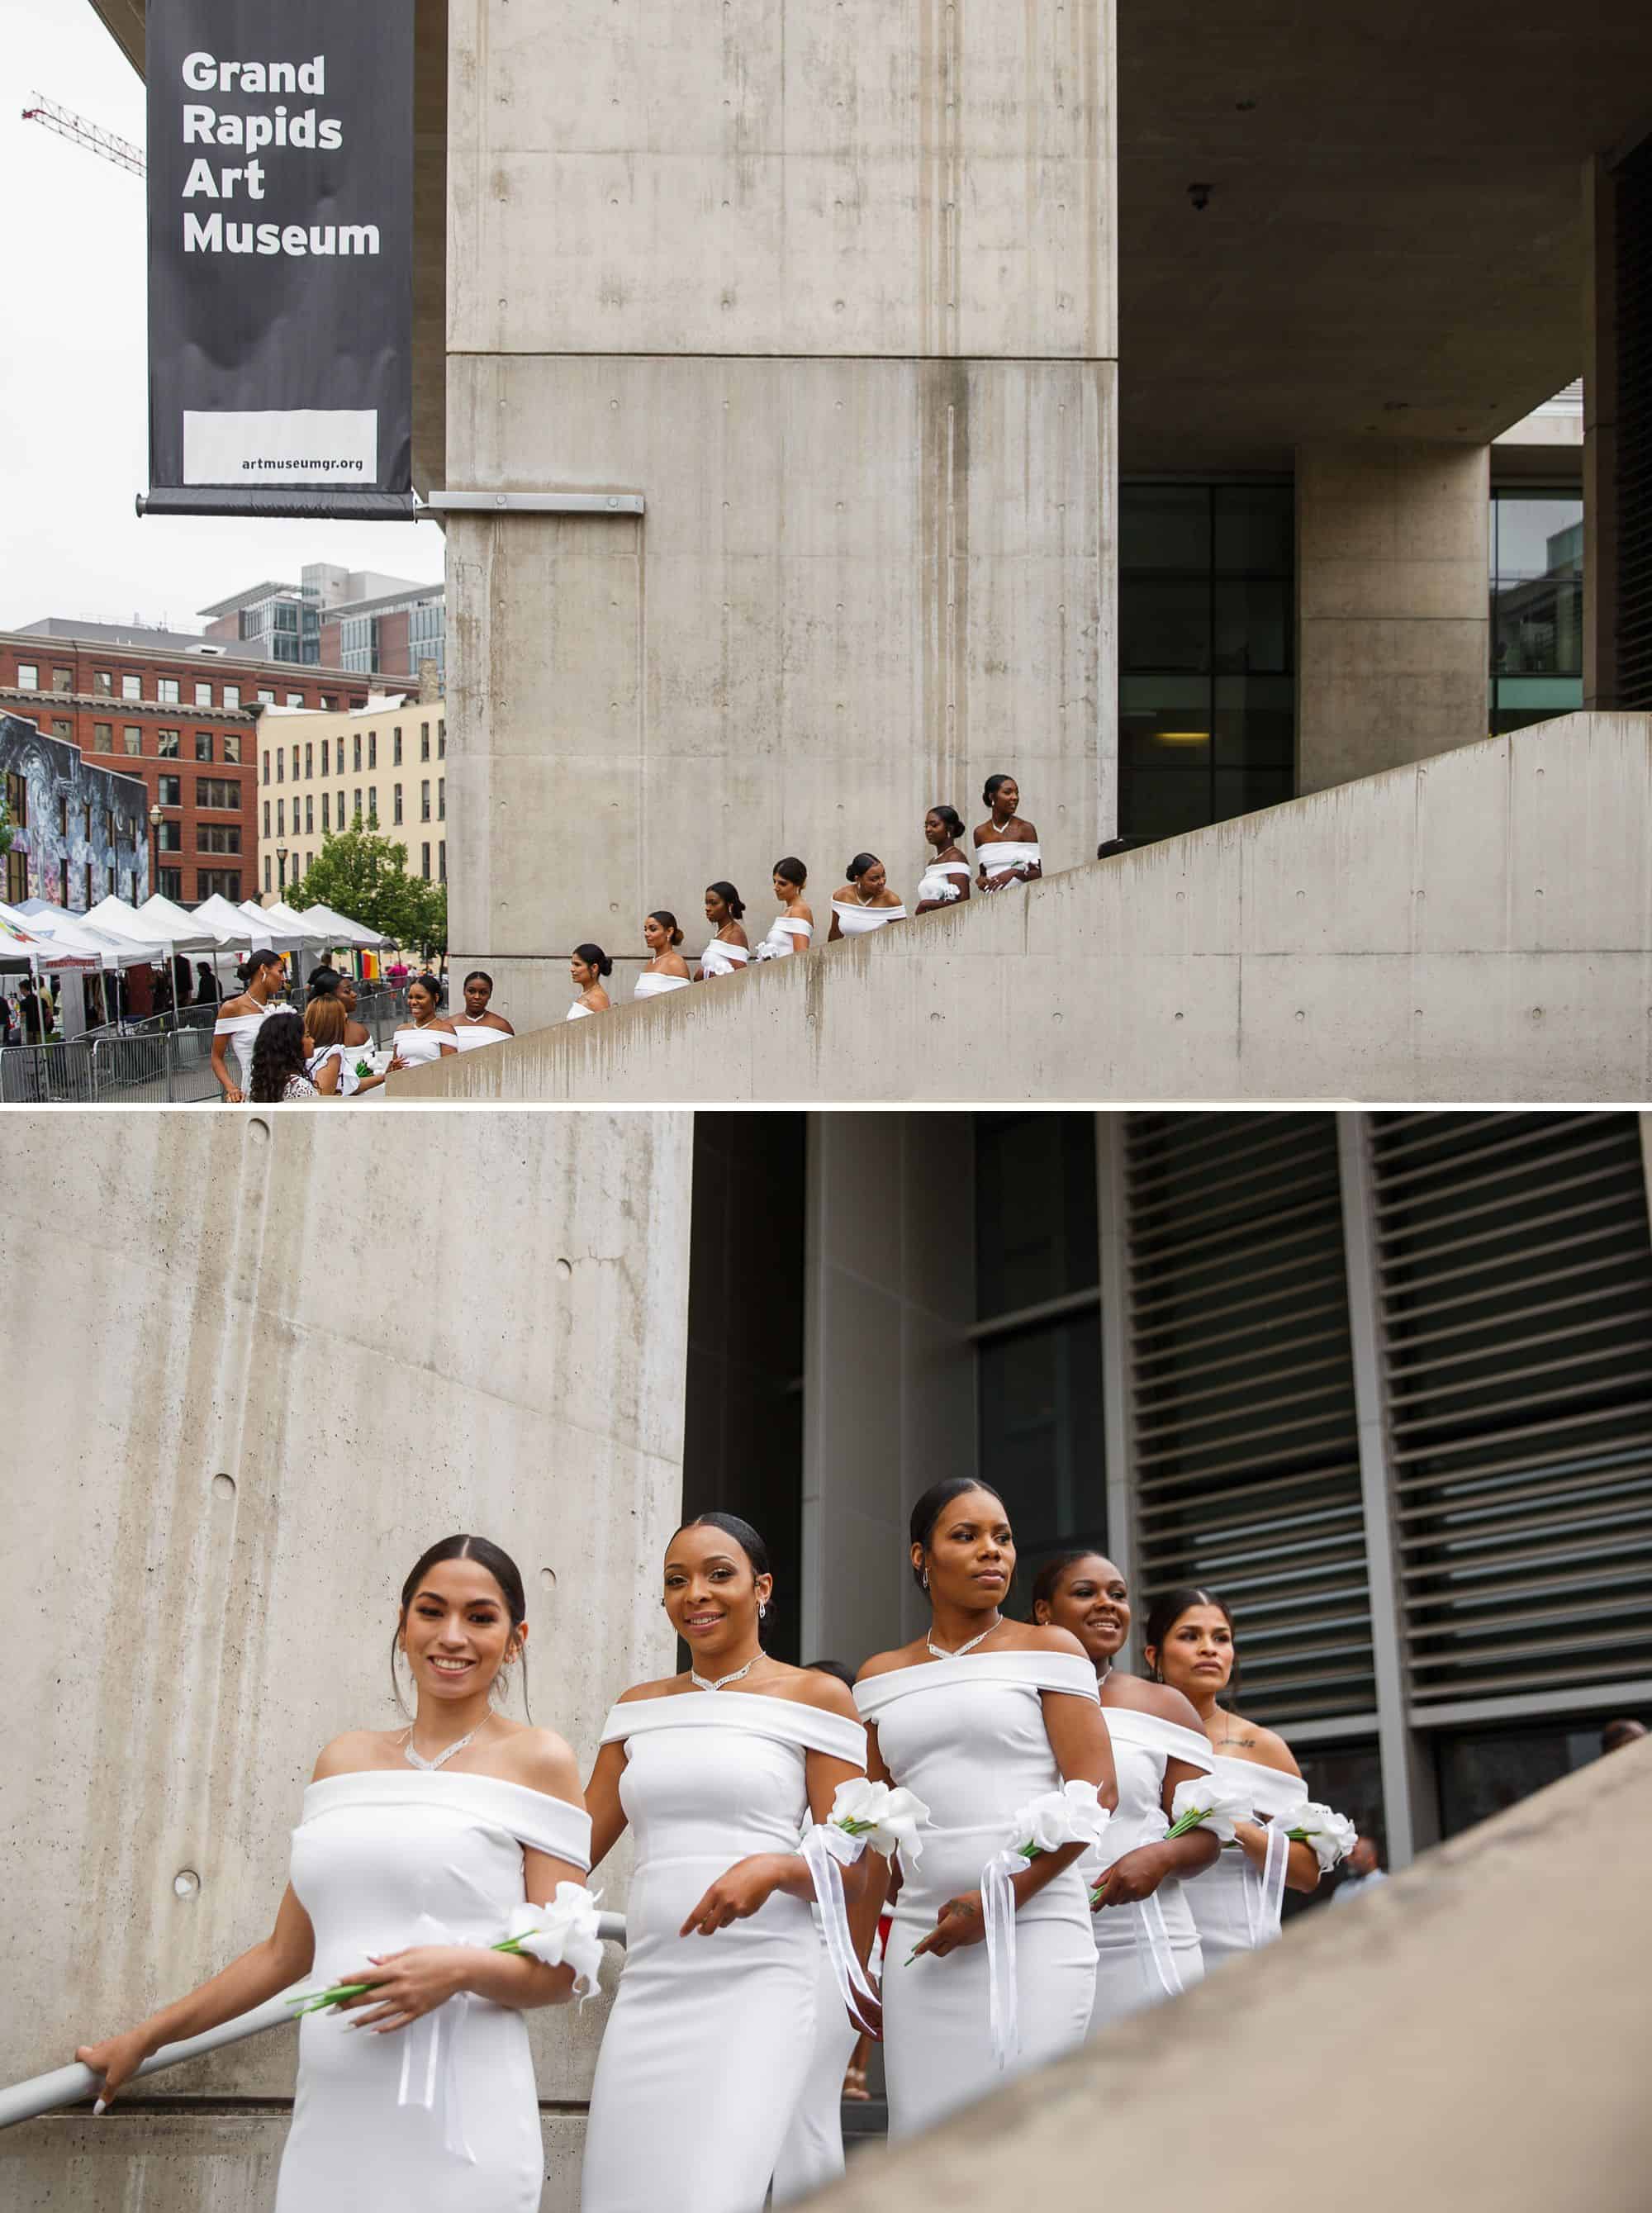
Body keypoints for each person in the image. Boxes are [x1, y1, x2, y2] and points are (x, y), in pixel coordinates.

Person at [74, 1536, 594, 2213]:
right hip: (333, 2122)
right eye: (432, 1611)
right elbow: (284, 1953)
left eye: (481, 1616)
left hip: (461, 2122)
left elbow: (567, 1969)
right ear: (403, 1623)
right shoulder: (342, 1761)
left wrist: (458, 1969)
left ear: (515, 1638)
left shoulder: (540, 1759)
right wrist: (148, 2037)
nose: (453, 1636)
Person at [581, 1514, 869, 2213]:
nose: (696, 1594)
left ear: (761, 1587)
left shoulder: (818, 1697)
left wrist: (771, 1868)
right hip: (651, 1982)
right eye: (677, 1581)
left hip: (762, 1979)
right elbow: (571, 1846)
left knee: (713, 2192)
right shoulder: (636, 1708)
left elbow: (852, 1863)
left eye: (718, 1573)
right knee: (620, 2194)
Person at [854, 1480, 1117, 2139]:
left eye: (1001, 1536)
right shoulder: (879, 1676)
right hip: (923, 1940)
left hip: (1036, 1927)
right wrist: (855, 1961)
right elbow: (868, 1835)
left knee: (1026, 2143)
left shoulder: (1052, 1646)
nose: (990, 1551)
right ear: (922, 1557)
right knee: (925, 2146)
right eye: (965, 1536)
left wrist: (995, 1899)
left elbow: (1096, 1789)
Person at [1031, 1553, 1217, 2027]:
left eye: (1117, 1594)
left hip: (1147, 1940)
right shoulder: (1012, 1701)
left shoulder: (1165, 1705)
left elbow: (1209, 1836)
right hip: (1036, 1935)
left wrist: (1160, 1857)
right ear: (1043, 1613)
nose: (1107, 1604)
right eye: (1085, 1592)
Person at [1142, 1588, 1322, 1966]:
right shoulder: (1129, 1739)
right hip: (1144, 1944)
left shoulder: (1262, 1746)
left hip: (1238, 1951)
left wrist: (1233, 1824)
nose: (1209, 1648)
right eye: (1190, 1636)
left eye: (1221, 1638)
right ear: (1153, 1655)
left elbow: (1307, 1874)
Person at [771, 1659, 866, 2207]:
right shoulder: (781, 1776)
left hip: (832, 1963)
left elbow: (865, 1881)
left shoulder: (861, 1792)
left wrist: (853, 1978)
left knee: (807, 2109)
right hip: (773, 1958)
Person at [211, 949, 285, 1104]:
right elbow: (217, 1057)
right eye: (280, 972)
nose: (283, 978)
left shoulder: (278, 1008)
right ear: (264, 969)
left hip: (285, 1089)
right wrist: (231, 1088)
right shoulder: (232, 1008)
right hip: (254, 1092)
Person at [304, 995, 387, 1098]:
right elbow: (324, 1098)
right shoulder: (332, 1054)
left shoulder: (307, 1052)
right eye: (342, 1017)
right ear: (334, 1024)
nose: (346, 1016)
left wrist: (384, 1077)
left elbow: (351, 1085)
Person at [973, 774, 1042, 891]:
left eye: (1017, 793)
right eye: (1007, 792)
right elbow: (983, 873)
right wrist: (981, 880)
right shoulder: (980, 833)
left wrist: (1013, 872)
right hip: (991, 902)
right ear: (992, 797)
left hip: (1022, 899)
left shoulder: (1025, 828)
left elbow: (1037, 874)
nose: (1014, 797)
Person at [827, 854, 905, 942]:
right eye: (874, 879)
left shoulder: (891, 901)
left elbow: (903, 937)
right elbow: (835, 934)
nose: (882, 882)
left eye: (883, 875)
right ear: (858, 879)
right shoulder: (841, 897)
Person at [387, 974, 458, 1070]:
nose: (413, 1002)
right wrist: (391, 1068)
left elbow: (451, 1071)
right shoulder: (401, 1030)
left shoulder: (445, 1031)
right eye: (410, 997)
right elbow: (393, 1070)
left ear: (435, 998)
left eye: (419, 997)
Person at [249, 1010, 321, 1102]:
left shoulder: (267, 1083)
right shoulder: (299, 1086)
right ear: (292, 1043)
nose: (313, 1040)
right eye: (307, 1036)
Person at [752, 858, 814, 962]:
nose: (776, 887)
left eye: (783, 883)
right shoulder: (789, 911)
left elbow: (801, 957)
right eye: (774, 881)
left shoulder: (799, 911)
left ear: (798, 884)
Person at [914, 807, 973, 914]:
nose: (928, 829)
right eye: (926, 826)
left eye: (934, 825)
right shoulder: (932, 861)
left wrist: (926, 905)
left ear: (949, 829)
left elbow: (963, 902)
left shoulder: (955, 857)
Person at [452, 971, 516, 1052]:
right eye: (471, 991)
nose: (477, 997)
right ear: (464, 992)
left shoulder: (502, 1026)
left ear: (490, 995)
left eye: (483, 992)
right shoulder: (449, 1024)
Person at [634, 911, 692, 1001]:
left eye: (653, 929)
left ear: (669, 932)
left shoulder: (676, 963)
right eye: (645, 929)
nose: (646, 934)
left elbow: (684, 1003)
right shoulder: (650, 963)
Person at [697, 884, 751, 980]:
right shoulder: (721, 932)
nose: (707, 908)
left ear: (729, 906)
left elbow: (741, 977)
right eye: (706, 903)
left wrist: (705, 974)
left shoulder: (735, 934)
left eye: (713, 903)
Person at [1329, 1835, 1387, 1904]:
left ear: (1370, 1857)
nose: (1347, 1859)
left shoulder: (1386, 1885)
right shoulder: (1342, 1889)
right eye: (1346, 1854)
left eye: (1353, 1854)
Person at [567, 945, 613, 1020]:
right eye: (572, 964)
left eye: (577, 965)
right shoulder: (587, 994)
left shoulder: (597, 999)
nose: (572, 969)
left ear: (594, 968)